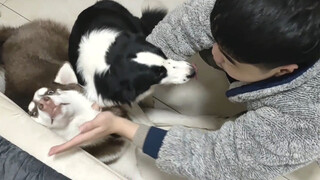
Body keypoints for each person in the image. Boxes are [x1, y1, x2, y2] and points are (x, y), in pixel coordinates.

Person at [49, 0, 320, 179]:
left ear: (285, 70)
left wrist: (121, 127)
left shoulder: (302, 122)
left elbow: (218, 160)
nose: (214, 53)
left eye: (229, 58)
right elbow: (184, 27)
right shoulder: (236, 7)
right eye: (217, 41)